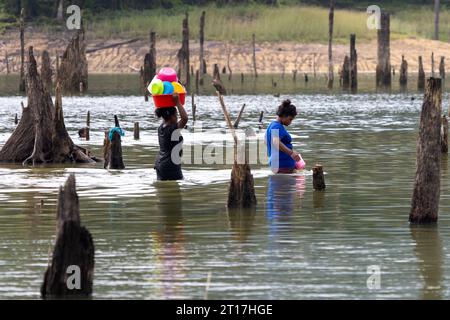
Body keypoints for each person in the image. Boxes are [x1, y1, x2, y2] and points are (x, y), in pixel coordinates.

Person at [154, 93, 188, 180]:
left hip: (160, 165)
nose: (177, 118)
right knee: (175, 192)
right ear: (172, 117)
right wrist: (177, 102)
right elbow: (184, 118)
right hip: (170, 166)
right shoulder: (172, 129)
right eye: (176, 115)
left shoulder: (161, 128)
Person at [265, 99, 301, 174]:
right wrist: (291, 153)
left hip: (277, 164)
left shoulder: (272, 125)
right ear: (284, 116)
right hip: (282, 166)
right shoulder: (277, 126)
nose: (291, 122)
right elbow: (275, 142)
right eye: (290, 119)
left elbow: (266, 141)